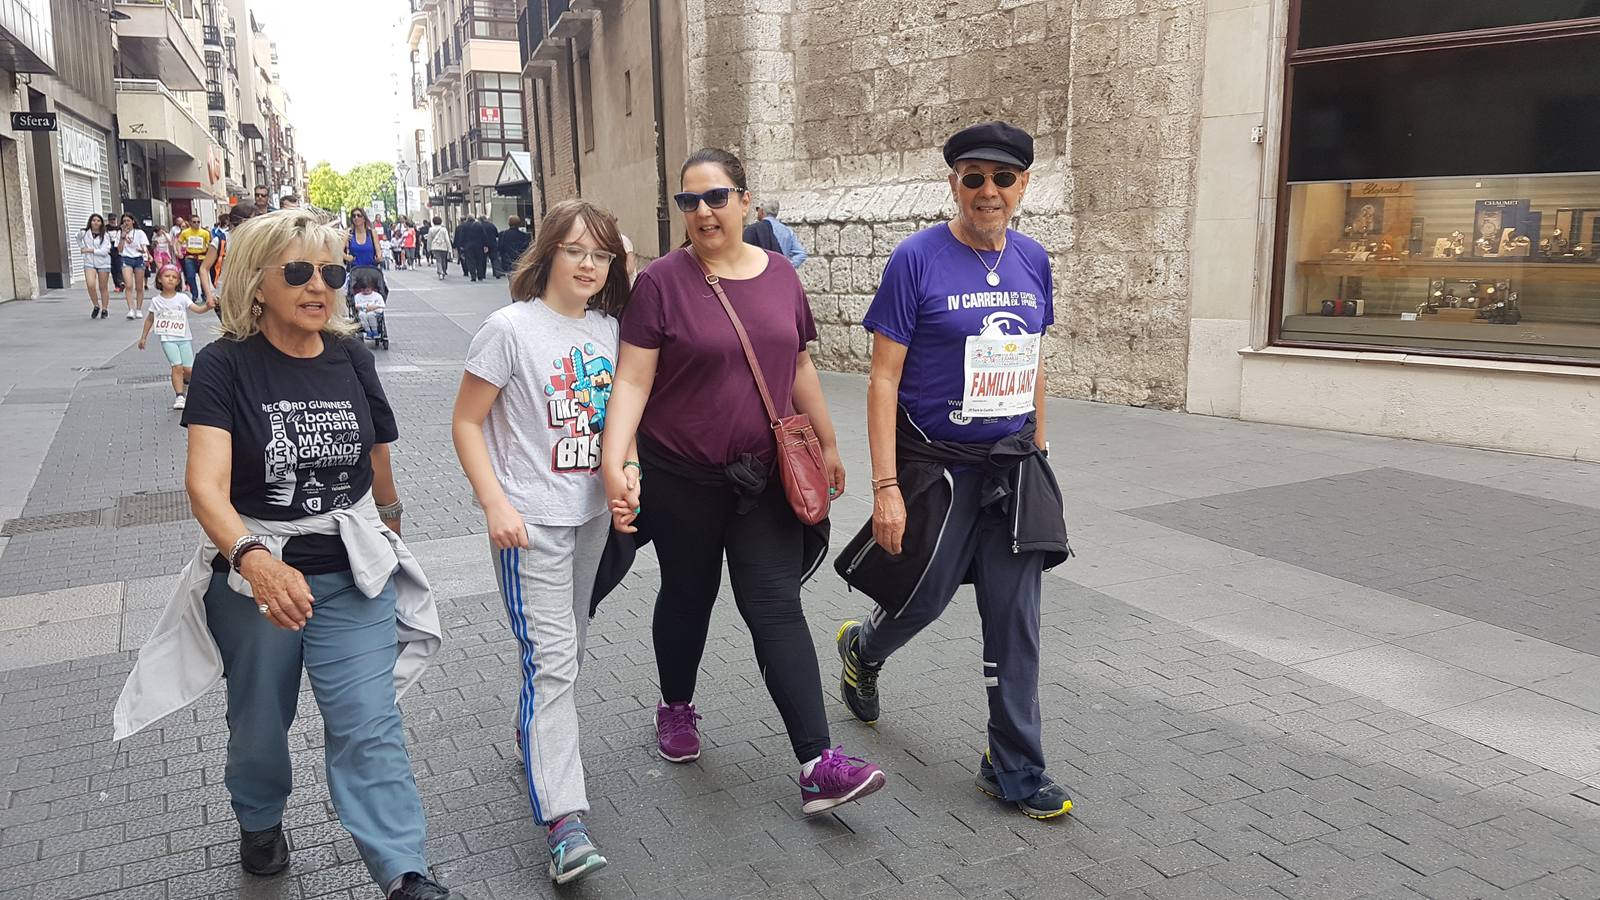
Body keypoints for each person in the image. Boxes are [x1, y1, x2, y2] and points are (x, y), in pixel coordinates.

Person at [111, 208, 461, 900]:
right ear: (256, 282)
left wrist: (391, 528)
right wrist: (251, 559)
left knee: (369, 726)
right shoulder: (224, 365)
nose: (319, 286)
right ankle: (259, 817)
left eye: (330, 272)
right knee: (260, 724)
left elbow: (376, 454)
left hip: (351, 577)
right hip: (259, 578)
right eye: (298, 271)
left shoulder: (350, 356)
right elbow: (204, 484)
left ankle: (405, 874)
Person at [599, 148, 886, 815]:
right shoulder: (663, 283)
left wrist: (831, 443)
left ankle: (818, 763)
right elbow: (634, 379)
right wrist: (620, 459)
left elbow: (801, 365)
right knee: (689, 594)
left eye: (716, 197)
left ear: (745, 201)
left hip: (764, 479)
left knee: (775, 605)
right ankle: (675, 705)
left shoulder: (781, 275)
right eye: (689, 201)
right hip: (681, 477)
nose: (703, 211)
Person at [834, 122, 1073, 821]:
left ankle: (1015, 768)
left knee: (1015, 619)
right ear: (954, 185)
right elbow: (883, 380)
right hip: (936, 469)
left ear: (1024, 186)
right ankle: (864, 649)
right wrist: (885, 487)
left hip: (1010, 469)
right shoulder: (916, 259)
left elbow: (1032, 361)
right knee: (923, 599)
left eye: (1004, 179)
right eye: (975, 178)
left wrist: (1040, 452)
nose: (989, 191)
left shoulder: (1033, 260)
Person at [451, 199, 629, 885]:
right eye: (576, 250)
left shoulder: (611, 331)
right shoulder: (508, 329)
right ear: (548, 251)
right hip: (527, 522)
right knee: (552, 662)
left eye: (601, 254)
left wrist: (629, 470)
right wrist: (494, 502)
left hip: (588, 518)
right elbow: (467, 423)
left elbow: (622, 420)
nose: (588, 264)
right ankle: (565, 822)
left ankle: (536, 740)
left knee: (568, 652)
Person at [137, 265, 212, 409]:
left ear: (178, 281)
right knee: (176, 366)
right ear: (159, 279)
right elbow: (150, 319)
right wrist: (143, 337)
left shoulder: (182, 298)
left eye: (174, 277)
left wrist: (207, 307)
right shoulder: (156, 301)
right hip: (168, 339)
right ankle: (179, 396)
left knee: (189, 369)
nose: (170, 279)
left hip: (184, 338)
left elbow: (197, 309)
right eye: (167, 276)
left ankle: (186, 384)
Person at [116, 214, 151, 319]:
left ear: (133, 221)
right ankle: (131, 309)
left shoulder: (139, 233)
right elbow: (119, 249)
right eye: (124, 221)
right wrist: (122, 236)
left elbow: (144, 247)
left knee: (139, 286)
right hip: (126, 258)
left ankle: (139, 309)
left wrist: (143, 250)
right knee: (129, 285)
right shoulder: (120, 233)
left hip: (138, 259)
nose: (126, 223)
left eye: (128, 220)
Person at [79, 214, 114, 319]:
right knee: (90, 284)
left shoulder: (105, 235)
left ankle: (104, 308)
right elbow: (77, 239)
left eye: (98, 221)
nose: (96, 222)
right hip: (89, 262)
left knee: (103, 287)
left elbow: (105, 251)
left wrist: (90, 250)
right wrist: (82, 247)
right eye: (94, 220)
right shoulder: (84, 233)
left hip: (103, 263)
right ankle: (96, 305)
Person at [756, 200, 808, 267]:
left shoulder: (755, 229)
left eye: (757, 209)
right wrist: (787, 266)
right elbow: (801, 253)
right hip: (781, 272)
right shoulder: (787, 230)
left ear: (762, 211)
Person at [178, 216, 213, 299]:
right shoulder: (185, 232)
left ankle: (204, 294)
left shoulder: (205, 233)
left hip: (202, 257)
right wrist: (179, 252)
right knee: (190, 276)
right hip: (190, 257)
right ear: (190, 223)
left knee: (203, 276)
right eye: (194, 222)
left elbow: (209, 245)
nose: (196, 224)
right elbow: (179, 242)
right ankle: (194, 294)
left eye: (198, 222)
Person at [352, 267, 387, 341]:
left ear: (371, 288)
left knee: (370, 315)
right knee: (361, 315)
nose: (365, 292)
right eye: (363, 290)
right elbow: (356, 305)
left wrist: (374, 307)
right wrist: (359, 307)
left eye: (367, 290)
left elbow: (382, 305)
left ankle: (375, 331)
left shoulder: (377, 296)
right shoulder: (358, 296)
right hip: (362, 311)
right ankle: (368, 331)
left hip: (374, 311)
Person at [454, 216, 484, 282]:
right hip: (478, 245)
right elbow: (483, 235)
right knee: (479, 260)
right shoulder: (479, 225)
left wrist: (461, 245)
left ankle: (473, 276)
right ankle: (480, 276)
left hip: (468, 246)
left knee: (470, 260)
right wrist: (484, 244)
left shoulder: (464, 226)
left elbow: (462, 236)